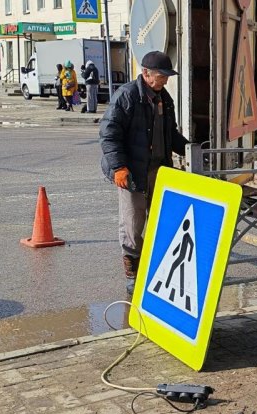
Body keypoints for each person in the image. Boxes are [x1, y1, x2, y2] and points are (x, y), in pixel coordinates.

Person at [100, 51, 189, 294]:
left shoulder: (164, 99)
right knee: (133, 223)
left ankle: (156, 267)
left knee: (161, 220)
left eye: (167, 76)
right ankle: (133, 273)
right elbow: (109, 135)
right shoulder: (127, 96)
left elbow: (171, 135)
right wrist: (119, 167)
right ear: (145, 73)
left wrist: (191, 150)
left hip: (159, 170)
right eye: (161, 76)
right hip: (132, 172)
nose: (165, 81)